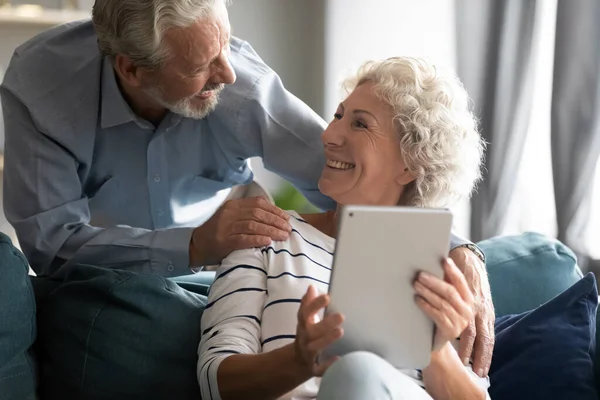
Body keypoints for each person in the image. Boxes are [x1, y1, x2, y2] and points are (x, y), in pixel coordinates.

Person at [0, 0, 493, 375]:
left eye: (226, 45)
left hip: (221, 274)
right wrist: (194, 243)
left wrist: (459, 249)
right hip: (100, 283)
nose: (228, 73)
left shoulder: (239, 85)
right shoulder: (43, 89)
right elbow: (54, 246)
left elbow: (354, 178)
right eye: (200, 66)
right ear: (132, 69)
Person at [198, 57, 490, 400]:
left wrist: (435, 351)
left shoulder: (439, 274)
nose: (330, 135)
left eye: (360, 124)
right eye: (338, 116)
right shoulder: (267, 235)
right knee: (354, 370)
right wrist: (298, 360)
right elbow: (215, 384)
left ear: (411, 164)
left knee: (358, 371)